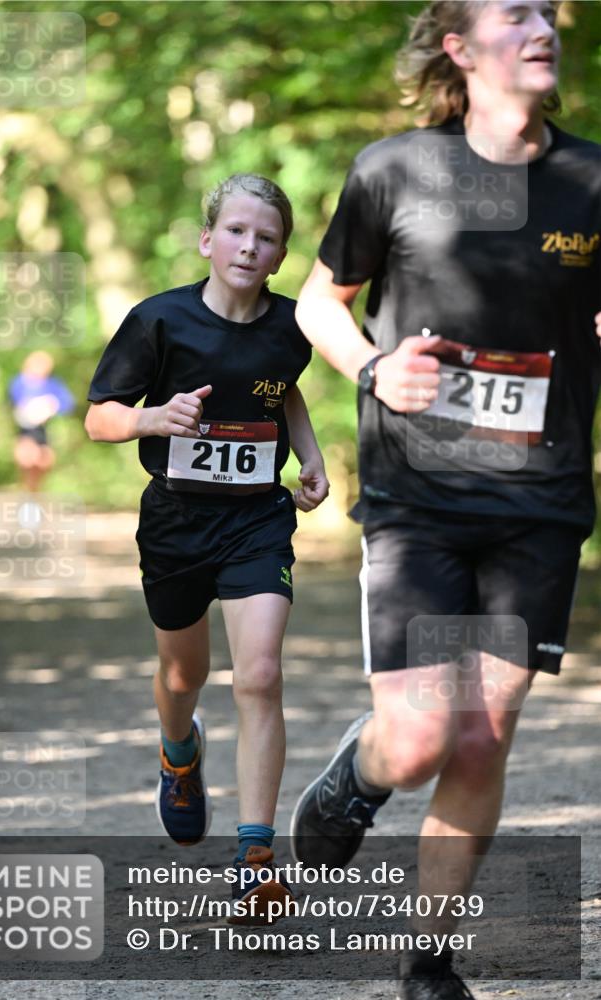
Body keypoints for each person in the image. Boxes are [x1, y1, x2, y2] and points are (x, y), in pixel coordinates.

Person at [289, 2, 599, 997]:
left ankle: (430, 959)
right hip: (417, 490)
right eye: (514, 13)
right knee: (421, 734)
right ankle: (359, 774)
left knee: (481, 729)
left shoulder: (592, 180)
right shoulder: (394, 170)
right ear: (461, 49)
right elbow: (315, 302)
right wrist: (376, 370)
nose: (542, 24)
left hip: (539, 498)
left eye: (547, 11)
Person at [85, 173, 329, 921]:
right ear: (206, 239)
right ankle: (177, 749)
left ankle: (256, 858)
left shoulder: (294, 326)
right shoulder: (158, 321)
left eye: (266, 237)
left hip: (257, 520)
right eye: (235, 231)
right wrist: (153, 419)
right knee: (183, 672)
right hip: (176, 524)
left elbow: (279, 386)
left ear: (281, 254)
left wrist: (309, 452)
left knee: (258, 674)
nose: (249, 245)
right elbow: (100, 418)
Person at [9, 351, 74, 492]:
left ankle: (33, 492)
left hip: (43, 432)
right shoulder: (20, 382)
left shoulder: (52, 384)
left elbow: (67, 403)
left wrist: (52, 405)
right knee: (27, 459)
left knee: (44, 462)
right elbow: (15, 402)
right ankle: (27, 492)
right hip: (25, 431)